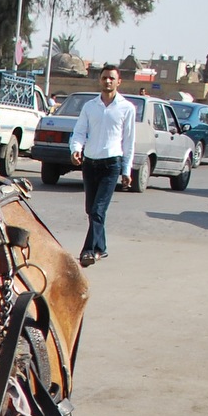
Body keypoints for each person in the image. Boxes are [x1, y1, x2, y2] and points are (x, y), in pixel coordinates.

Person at [67, 64, 137, 266]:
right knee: (91, 209)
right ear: (100, 80)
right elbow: (79, 132)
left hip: (111, 165)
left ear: (118, 82)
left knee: (98, 209)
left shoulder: (126, 108)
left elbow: (129, 141)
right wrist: (76, 150)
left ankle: (88, 250)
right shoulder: (90, 107)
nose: (108, 81)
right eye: (105, 78)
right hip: (90, 164)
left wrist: (126, 169)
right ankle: (101, 247)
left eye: (111, 78)